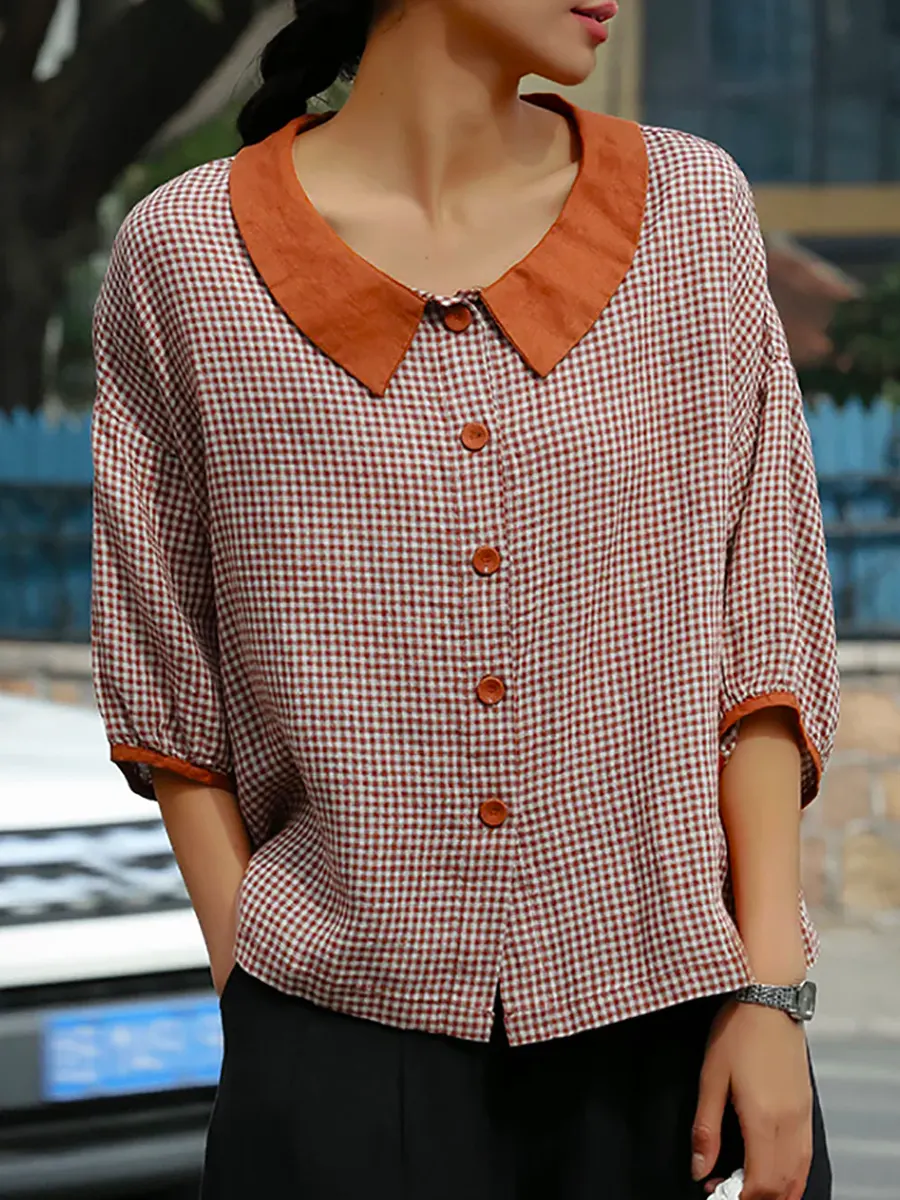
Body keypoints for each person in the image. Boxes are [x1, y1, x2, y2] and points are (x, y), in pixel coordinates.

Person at [88, 1, 841, 1198]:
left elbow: (764, 631)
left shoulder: (692, 214)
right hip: (334, 1044)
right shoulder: (188, 256)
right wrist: (262, 1005)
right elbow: (165, 671)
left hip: (676, 1034)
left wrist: (770, 993)